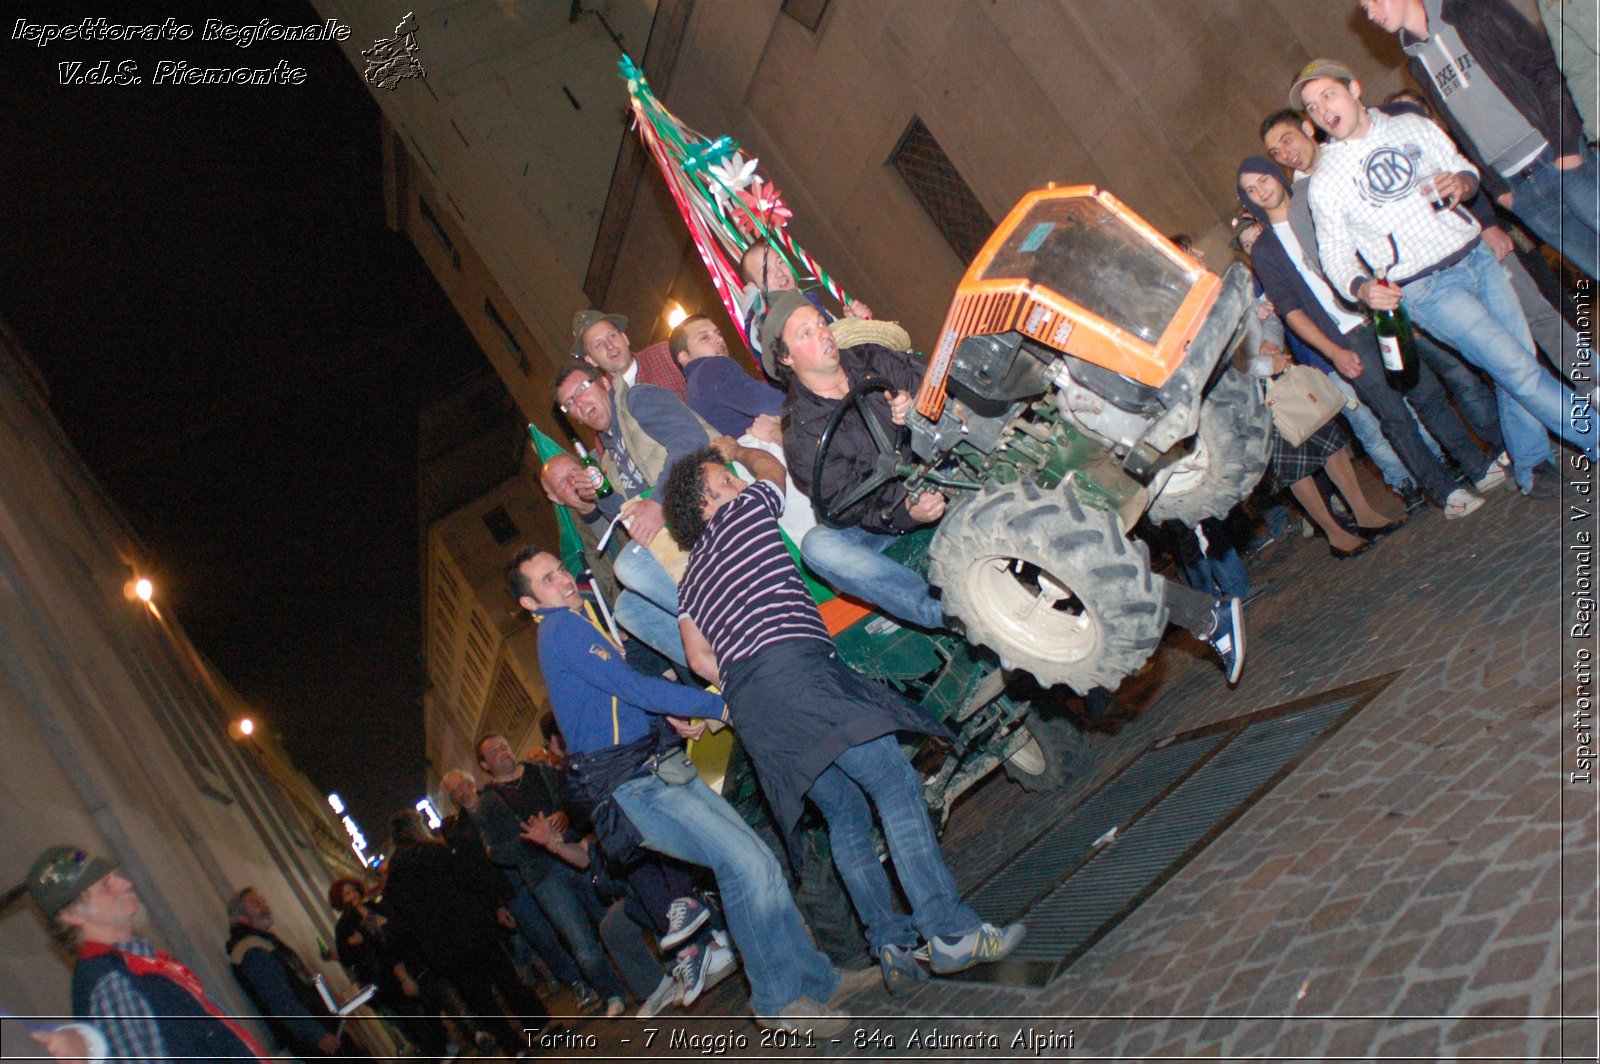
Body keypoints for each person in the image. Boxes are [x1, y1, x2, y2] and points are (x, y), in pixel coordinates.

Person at [663, 438, 1027, 993]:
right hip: (800, 675)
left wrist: (743, 689)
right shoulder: (742, 514)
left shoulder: (689, 585)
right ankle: (949, 931)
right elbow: (773, 469)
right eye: (725, 482)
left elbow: (697, 658)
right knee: (895, 784)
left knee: (845, 815)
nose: (737, 482)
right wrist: (739, 451)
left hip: (759, 716)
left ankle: (890, 942)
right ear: (708, 504)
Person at [765, 289, 1249, 684]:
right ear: (786, 358)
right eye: (805, 334)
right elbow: (845, 503)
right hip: (884, 513)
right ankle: (942, 611)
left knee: (1054, 534)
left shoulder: (868, 357)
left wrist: (914, 401)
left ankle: (1201, 605)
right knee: (818, 545)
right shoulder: (802, 432)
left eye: (820, 322)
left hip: (944, 464)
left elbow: (933, 379)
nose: (822, 335)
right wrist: (904, 513)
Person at [505, 546, 878, 1034]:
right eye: (547, 580)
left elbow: (617, 703)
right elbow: (634, 690)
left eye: (558, 570)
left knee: (758, 864)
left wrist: (671, 717)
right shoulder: (562, 629)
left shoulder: (577, 621)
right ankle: (774, 999)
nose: (561, 580)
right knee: (744, 866)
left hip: (655, 769)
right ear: (531, 604)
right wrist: (717, 704)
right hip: (635, 785)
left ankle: (817, 981)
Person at [1294, 59, 1597, 496]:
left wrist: (1461, 182)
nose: (1322, 109)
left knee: (1516, 365)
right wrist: (1362, 288)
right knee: (1515, 367)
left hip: (1476, 259)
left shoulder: (1411, 125)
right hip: (1426, 288)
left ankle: (1530, 464)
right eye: (1312, 106)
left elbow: (1465, 170)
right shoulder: (1326, 182)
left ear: (1354, 88)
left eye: (1328, 94)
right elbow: (1336, 256)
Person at [1236, 154, 1495, 520]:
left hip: (1380, 313)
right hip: (1344, 336)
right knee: (1393, 415)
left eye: (1263, 179)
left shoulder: (1316, 208)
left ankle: (1477, 466)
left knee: (1428, 392)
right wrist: (1332, 351)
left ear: (1277, 177)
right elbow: (1290, 310)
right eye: (1250, 189)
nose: (1261, 190)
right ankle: (1445, 491)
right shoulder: (1265, 249)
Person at [1358, 0, 1598, 281]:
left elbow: (1543, 66)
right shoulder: (1417, 63)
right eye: (1365, 9)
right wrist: (1498, 190)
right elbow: (1458, 130)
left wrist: (1566, 145)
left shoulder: (1472, 10)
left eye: (1375, 1)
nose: (1372, 14)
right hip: (1520, 190)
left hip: (1557, 157)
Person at [26, 845, 273, 1064]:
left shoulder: (139, 964)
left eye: (116, 877)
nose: (125, 884)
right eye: (105, 885)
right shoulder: (112, 984)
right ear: (73, 915)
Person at [552, 362, 718, 668]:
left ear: (603, 382)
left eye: (583, 390)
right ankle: (717, 669)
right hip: (677, 533)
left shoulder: (635, 401)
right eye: (570, 404)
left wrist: (657, 504)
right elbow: (629, 517)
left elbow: (691, 440)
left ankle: (721, 633)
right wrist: (599, 498)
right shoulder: (609, 458)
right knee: (628, 609)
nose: (579, 405)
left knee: (630, 565)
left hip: (710, 502)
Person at [472, 734, 631, 1018]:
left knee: (612, 918)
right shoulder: (489, 804)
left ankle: (641, 975)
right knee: (581, 942)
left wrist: (565, 815)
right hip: (543, 877)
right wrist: (533, 841)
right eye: (493, 752)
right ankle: (612, 993)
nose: (503, 752)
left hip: (576, 855)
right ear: (484, 765)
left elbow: (574, 798)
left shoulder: (541, 772)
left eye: (504, 746)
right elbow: (495, 851)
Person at [381, 810, 547, 1056]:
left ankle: (513, 1047)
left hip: (442, 948)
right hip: (472, 929)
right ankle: (537, 1027)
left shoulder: (394, 879)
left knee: (480, 1000)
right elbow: (469, 883)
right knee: (506, 980)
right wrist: (493, 907)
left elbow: (401, 925)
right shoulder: (436, 852)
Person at [539, 451, 683, 673]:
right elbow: (596, 608)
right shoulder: (575, 552)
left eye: (574, 472)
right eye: (562, 483)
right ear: (556, 499)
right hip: (643, 631)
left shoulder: (625, 495)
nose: (573, 482)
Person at [226, 888, 362, 1057]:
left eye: (262, 900)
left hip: (321, 1026)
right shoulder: (252, 951)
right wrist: (315, 1033)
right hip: (315, 1037)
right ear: (242, 918)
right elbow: (280, 999)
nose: (264, 906)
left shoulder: (264, 944)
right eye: (255, 904)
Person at [328, 879, 450, 1061]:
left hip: (406, 962)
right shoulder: (345, 925)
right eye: (346, 894)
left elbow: (393, 930)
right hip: (384, 977)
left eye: (353, 890)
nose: (352, 895)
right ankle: (436, 1052)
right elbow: (348, 956)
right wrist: (354, 945)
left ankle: (442, 1044)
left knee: (428, 1005)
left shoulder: (372, 907)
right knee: (412, 1017)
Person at [571, 307, 687, 400]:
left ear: (625, 338)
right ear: (591, 360)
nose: (610, 346)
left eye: (612, 335)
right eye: (598, 344)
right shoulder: (609, 402)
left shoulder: (663, 354)